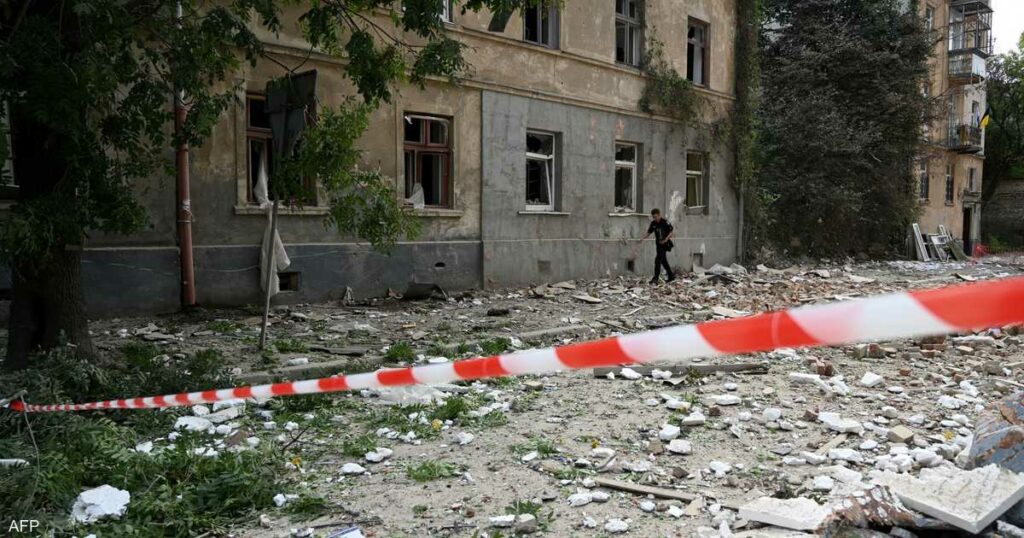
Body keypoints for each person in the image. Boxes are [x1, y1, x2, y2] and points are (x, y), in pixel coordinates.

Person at [640, 208, 675, 284]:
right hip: (658, 244)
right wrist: (642, 238)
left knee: (657, 260)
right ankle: (671, 276)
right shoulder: (653, 223)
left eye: (655, 217)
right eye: (653, 217)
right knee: (664, 261)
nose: (655, 218)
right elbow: (649, 232)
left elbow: (671, 231)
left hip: (665, 244)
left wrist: (665, 239)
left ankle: (655, 278)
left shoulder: (665, 222)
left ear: (659, 215)